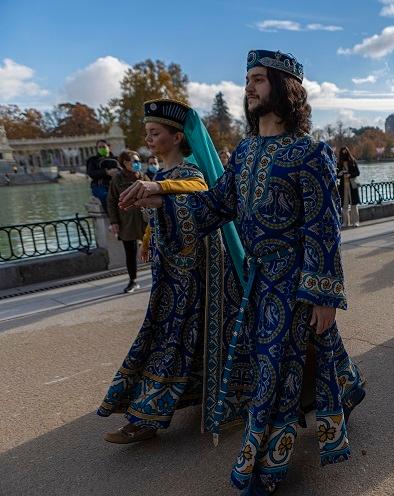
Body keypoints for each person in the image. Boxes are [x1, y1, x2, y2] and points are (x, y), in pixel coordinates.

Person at [120, 51, 365, 495]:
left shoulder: (310, 153)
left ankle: (263, 468)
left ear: (285, 89)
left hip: (292, 279)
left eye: (258, 80)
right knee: (294, 356)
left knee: (275, 368)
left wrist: (325, 295)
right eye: (247, 80)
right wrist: (161, 196)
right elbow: (217, 206)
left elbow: (323, 228)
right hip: (257, 280)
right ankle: (345, 389)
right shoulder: (246, 151)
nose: (249, 88)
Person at [98, 99, 242, 447]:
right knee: (175, 340)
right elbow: (164, 211)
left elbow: (197, 194)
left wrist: (157, 190)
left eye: (155, 133)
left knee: (172, 341)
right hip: (172, 274)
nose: (148, 140)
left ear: (178, 137)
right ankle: (155, 410)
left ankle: (146, 417)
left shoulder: (188, 174)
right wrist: (149, 236)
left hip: (195, 279)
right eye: (147, 134)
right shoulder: (162, 175)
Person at [107, 150, 147, 293]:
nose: (138, 164)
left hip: (144, 221)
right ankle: (133, 281)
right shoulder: (118, 179)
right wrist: (114, 221)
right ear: (125, 163)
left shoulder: (143, 176)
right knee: (130, 252)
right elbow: (111, 201)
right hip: (126, 221)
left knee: (153, 248)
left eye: (138, 161)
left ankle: (159, 276)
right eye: (134, 161)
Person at [86, 139, 119, 213]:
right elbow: (91, 173)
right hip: (99, 186)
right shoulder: (93, 160)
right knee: (106, 196)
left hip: (115, 184)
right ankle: (112, 219)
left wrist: (117, 172)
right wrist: (106, 172)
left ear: (109, 147)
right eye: (99, 147)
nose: (101, 149)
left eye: (103, 147)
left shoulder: (117, 159)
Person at [338, 146, 361, 227]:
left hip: (352, 186)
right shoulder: (339, 163)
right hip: (343, 187)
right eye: (343, 153)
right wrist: (340, 174)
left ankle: (356, 222)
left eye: (345, 152)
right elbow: (336, 175)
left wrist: (350, 174)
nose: (344, 154)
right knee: (344, 206)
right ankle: (345, 222)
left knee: (354, 205)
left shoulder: (353, 161)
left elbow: (358, 173)